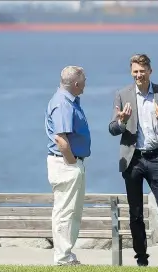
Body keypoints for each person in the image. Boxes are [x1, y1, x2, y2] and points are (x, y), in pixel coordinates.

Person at [108, 54, 158, 268]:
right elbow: (112, 129)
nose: (138, 75)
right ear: (131, 72)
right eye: (135, 71)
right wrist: (121, 122)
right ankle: (141, 260)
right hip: (133, 160)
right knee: (136, 214)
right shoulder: (122, 94)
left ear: (150, 71)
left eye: (142, 71)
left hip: (156, 158)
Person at [45, 66, 90, 266]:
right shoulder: (63, 103)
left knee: (72, 211)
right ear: (76, 83)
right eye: (84, 80)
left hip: (69, 163)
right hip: (66, 164)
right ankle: (63, 258)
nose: (86, 82)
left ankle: (66, 255)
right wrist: (72, 163)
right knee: (65, 211)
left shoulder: (67, 101)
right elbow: (60, 139)